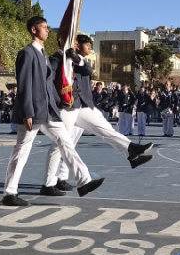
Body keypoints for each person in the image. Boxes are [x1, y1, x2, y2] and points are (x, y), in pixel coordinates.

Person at [2, 17, 105, 207]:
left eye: (47, 28)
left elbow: (49, 85)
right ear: (33, 30)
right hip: (32, 111)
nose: (47, 30)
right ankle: (10, 193)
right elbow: (24, 85)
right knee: (22, 150)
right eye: (43, 27)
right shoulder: (27, 53)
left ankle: (84, 181)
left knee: (65, 142)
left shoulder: (43, 54)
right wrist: (27, 112)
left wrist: (60, 102)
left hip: (49, 109)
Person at [45, 35, 153, 195]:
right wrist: (56, 101)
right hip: (68, 106)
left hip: (82, 105)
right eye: (87, 45)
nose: (89, 48)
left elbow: (87, 70)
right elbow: (50, 80)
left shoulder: (78, 59)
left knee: (103, 128)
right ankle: (50, 182)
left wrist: (75, 58)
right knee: (62, 144)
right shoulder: (56, 59)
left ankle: (131, 151)